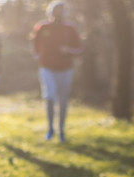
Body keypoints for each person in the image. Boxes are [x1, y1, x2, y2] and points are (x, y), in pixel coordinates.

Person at [31, 1, 83, 142]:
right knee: (50, 97)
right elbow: (35, 46)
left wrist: (68, 50)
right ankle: (50, 129)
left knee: (63, 100)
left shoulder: (70, 29)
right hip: (47, 68)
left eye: (61, 11)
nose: (58, 14)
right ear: (51, 12)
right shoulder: (42, 27)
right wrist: (38, 55)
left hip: (65, 69)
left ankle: (61, 131)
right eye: (56, 11)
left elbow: (79, 49)